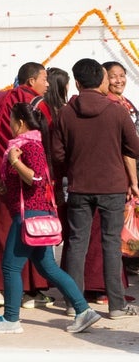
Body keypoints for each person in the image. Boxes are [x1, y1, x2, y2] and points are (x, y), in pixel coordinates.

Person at [0, 98, 100, 335]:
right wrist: (5, 186)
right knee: (48, 267)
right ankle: (83, 310)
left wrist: (14, 161)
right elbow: (28, 180)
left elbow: (35, 178)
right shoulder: (30, 144)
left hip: (29, 216)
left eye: (11, 121)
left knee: (10, 267)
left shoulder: (29, 146)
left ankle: (11, 319)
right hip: (36, 214)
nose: (10, 125)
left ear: (20, 122)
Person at [48, 56, 139, 317]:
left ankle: (73, 304)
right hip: (112, 187)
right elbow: (134, 148)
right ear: (102, 81)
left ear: (77, 83)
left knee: (77, 244)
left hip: (79, 186)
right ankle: (116, 306)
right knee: (111, 244)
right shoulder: (117, 111)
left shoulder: (65, 113)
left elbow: (57, 155)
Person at [0, 62, 52, 306]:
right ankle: (31, 291)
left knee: (1, 232)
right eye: (44, 79)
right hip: (29, 178)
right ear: (31, 81)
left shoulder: (0, 100)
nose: (47, 84)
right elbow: (48, 141)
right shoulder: (37, 104)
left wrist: (0, 174)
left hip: (0, 175)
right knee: (33, 231)